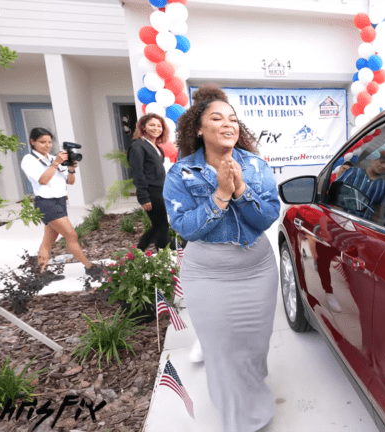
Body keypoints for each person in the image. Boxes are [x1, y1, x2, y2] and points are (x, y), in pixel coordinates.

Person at [163, 84, 281, 431]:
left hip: (257, 269)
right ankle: (243, 421)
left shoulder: (257, 166)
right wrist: (219, 197)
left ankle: (250, 389)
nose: (228, 124)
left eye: (232, 119)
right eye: (217, 118)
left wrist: (241, 191)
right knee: (223, 352)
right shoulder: (180, 173)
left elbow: (267, 217)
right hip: (208, 275)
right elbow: (185, 227)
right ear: (199, 129)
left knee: (254, 349)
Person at [19, 127, 104, 279]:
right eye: (42, 142)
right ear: (32, 142)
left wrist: (71, 169)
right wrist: (56, 164)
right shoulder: (29, 160)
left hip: (60, 202)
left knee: (48, 240)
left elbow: (70, 182)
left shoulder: (53, 158)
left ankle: (41, 273)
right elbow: (43, 180)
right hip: (46, 203)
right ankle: (89, 267)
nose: (47, 145)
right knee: (71, 235)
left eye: (49, 142)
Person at [129, 113, 171, 252]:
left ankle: (139, 251)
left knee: (159, 225)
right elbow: (137, 173)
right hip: (151, 192)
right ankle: (163, 257)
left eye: (159, 126)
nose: (156, 128)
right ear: (144, 127)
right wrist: (143, 197)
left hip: (160, 190)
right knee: (161, 226)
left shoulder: (155, 146)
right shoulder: (138, 146)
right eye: (152, 125)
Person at [333, 151, 385, 218]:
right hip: (339, 217)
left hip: (361, 224)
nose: (383, 166)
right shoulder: (353, 172)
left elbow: (377, 209)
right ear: (373, 160)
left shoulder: (383, 186)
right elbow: (334, 191)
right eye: (382, 162)